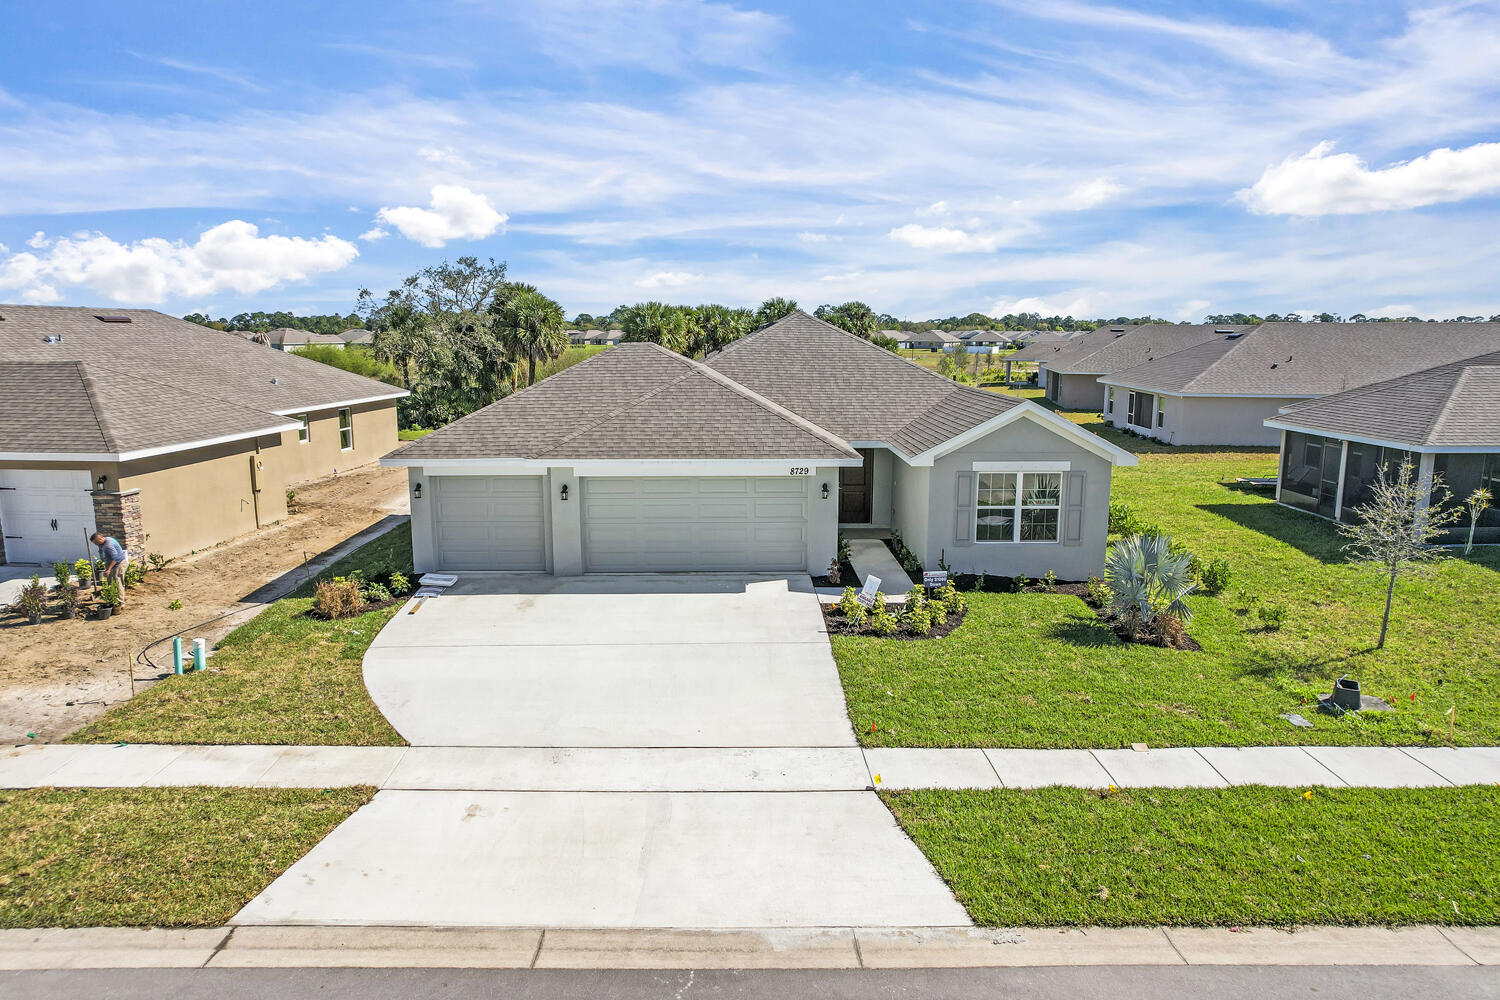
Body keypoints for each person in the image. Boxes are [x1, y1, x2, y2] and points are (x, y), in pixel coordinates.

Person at [90, 531, 128, 606]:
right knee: (113, 582)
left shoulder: (108, 545)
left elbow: (115, 558)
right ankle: (117, 598)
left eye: (96, 543)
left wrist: (108, 569)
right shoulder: (108, 539)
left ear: (101, 539)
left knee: (117, 583)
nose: (96, 545)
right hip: (117, 564)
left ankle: (120, 603)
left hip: (118, 564)